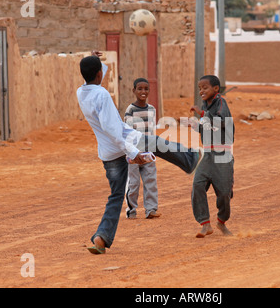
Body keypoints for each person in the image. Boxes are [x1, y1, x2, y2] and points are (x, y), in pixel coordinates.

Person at [76, 51, 204, 254]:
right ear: (99, 74)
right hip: (124, 142)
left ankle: (101, 239)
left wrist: (94, 60)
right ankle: (190, 159)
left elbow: (94, 77)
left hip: (107, 154)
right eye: (101, 71)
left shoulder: (81, 92)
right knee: (156, 142)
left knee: (116, 196)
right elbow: (112, 129)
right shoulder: (102, 95)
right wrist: (132, 152)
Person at [187, 75, 235, 238]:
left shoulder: (221, 103)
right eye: (199, 88)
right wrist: (196, 126)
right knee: (198, 185)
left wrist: (202, 114)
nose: (201, 91)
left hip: (223, 156)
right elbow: (206, 127)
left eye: (205, 87)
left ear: (216, 89)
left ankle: (221, 222)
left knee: (224, 193)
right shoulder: (205, 105)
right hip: (208, 154)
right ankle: (205, 224)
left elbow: (221, 122)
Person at [124, 78, 159, 219]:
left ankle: (151, 210)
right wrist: (130, 151)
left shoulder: (152, 109)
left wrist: (154, 147)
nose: (143, 92)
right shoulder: (130, 110)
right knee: (134, 183)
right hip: (133, 152)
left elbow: (152, 130)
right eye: (140, 89)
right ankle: (131, 210)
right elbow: (127, 132)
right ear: (134, 91)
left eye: (146, 89)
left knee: (151, 180)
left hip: (148, 151)